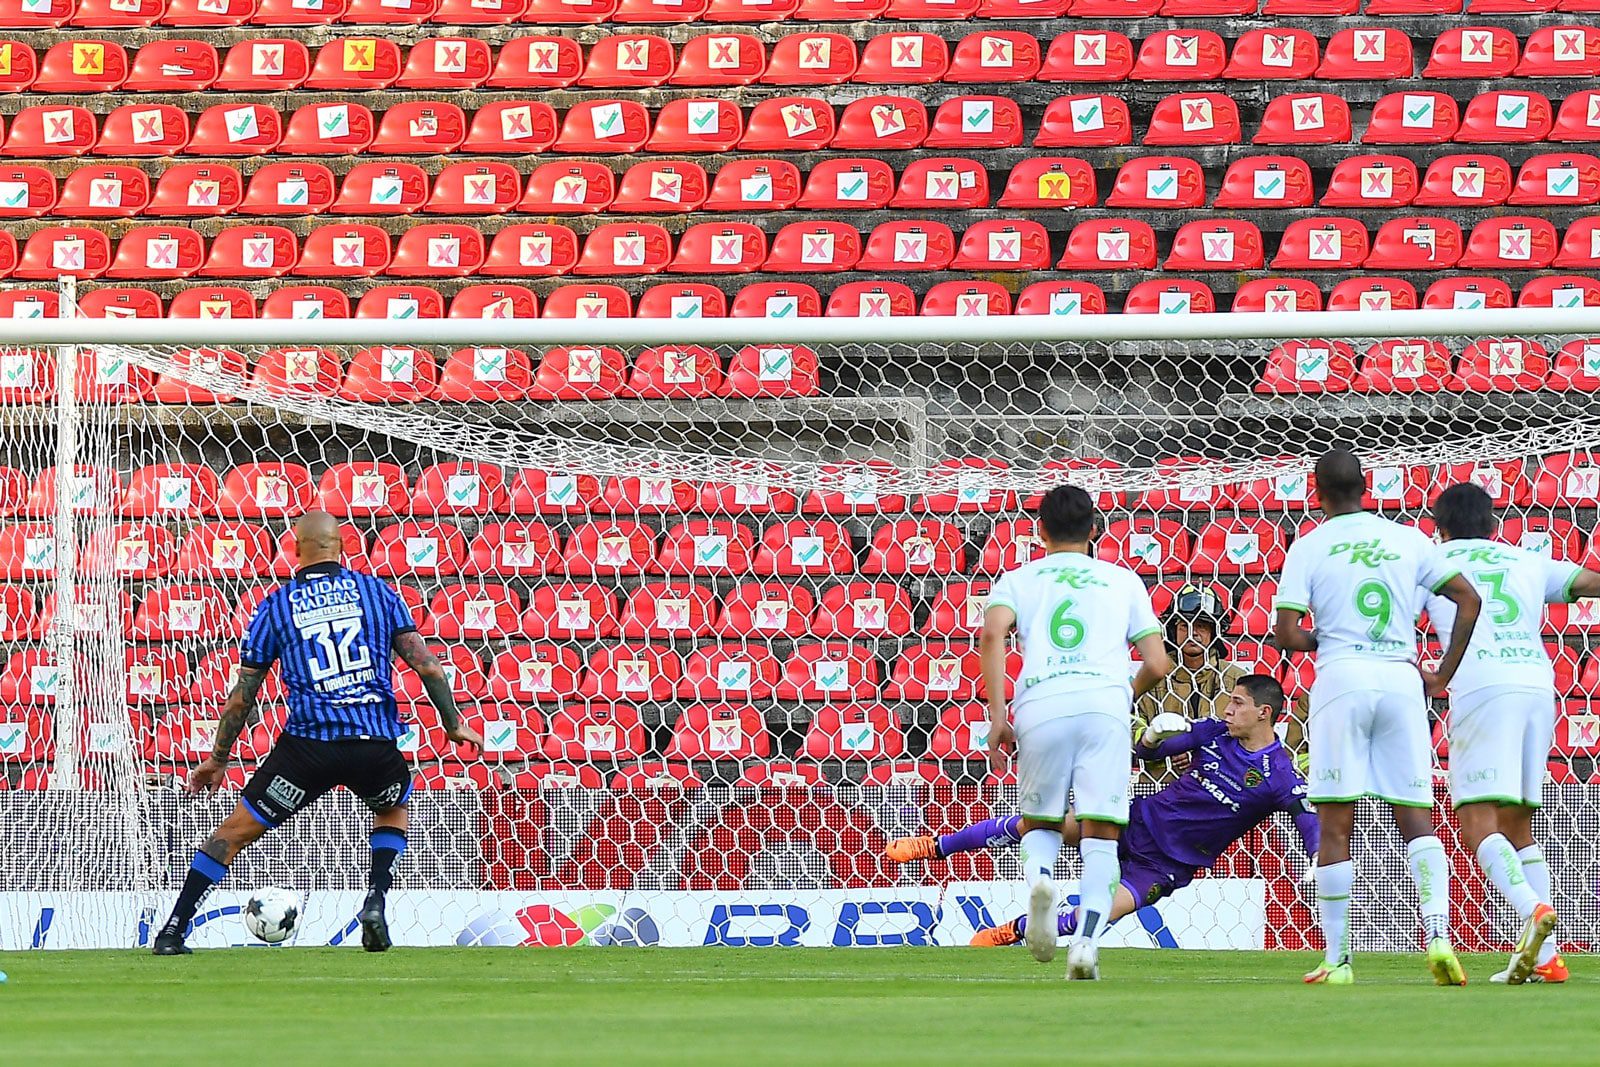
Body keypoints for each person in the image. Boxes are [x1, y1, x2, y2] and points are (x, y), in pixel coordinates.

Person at [151, 511, 484, 956]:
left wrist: (219, 757)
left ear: (294, 551)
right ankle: (375, 899)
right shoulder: (378, 594)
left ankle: (173, 930)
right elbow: (426, 664)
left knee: (231, 834)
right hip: (373, 745)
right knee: (392, 810)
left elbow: (242, 697)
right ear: (343, 548)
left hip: (306, 751)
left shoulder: (277, 605)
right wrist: (453, 722)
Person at [889, 676, 1317, 947]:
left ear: (1265, 713)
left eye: (1238, 703)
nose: (1228, 709)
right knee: (1040, 822)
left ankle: (1013, 931)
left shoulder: (1279, 774)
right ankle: (937, 846)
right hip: (1135, 822)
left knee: (1088, 919)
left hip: (1168, 864)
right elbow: (1148, 754)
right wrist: (1151, 739)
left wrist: (1317, 855)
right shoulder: (1213, 734)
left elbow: (1305, 815)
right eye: (1229, 701)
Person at [1274, 449, 1482, 986]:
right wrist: (1441, 675)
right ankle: (1439, 935)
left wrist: (1324, 635)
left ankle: (1339, 959)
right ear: (1367, 488)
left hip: (1341, 679)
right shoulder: (1410, 539)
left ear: (1316, 492)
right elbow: (1468, 599)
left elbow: (1286, 634)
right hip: (1400, 680)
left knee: (1335, 823)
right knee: (1416, 817)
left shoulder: (1308, 546)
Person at [981, 485, 1174, 979]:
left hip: (1041, 702)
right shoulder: (1123, 580)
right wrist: (1123, 692)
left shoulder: (1017, 580)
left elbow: (991, 635)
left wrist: (999, 714)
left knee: (1041, 822)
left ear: (1039, 528)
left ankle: (1041, 880)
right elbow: (1158, 662)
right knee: (1102, 836)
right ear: (1094, 529)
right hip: (1105, 705)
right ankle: (1086, 943)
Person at [1427, 482, 1600, 984]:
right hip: (1538, 687)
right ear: (1492, 523)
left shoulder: (1433, 561)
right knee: (1518, 824)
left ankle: (1532, 908)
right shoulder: (1526, 560)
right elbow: (1591, 582)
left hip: (1483, 687)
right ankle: (1546, 959)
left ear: (1441, 526)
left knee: (1477, 819)